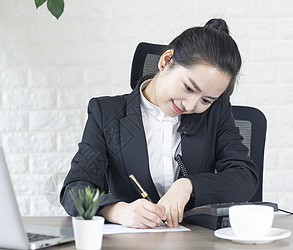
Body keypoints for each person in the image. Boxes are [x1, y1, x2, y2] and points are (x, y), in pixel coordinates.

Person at [60, 18, 258, 229]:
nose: (191, 105)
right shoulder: (107, 113)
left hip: (196, 244)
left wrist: (188, 185)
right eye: (189, 88)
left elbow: (245, 177)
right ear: (166, 61)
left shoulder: (215, 113)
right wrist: (117, 210)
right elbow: (74, 189)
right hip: (130, 247)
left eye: (206, 100)